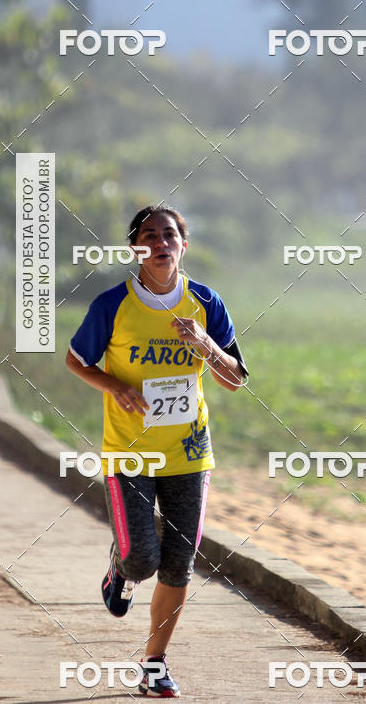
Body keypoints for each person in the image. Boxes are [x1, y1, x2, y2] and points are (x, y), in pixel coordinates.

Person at [66, 205, 248, 698]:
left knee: (179, 564)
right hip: (129, 452)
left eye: (170, 234)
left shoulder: (206, 302)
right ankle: (120, 569)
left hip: (189, 452)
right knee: (142, 558)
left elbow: (233, 380)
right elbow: (77, 359)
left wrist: (205, 343)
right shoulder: (112, 304)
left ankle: (154, 665)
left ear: (183, 245)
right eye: (150, 235)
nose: (161, 242)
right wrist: (115, 387)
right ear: (136, 249)